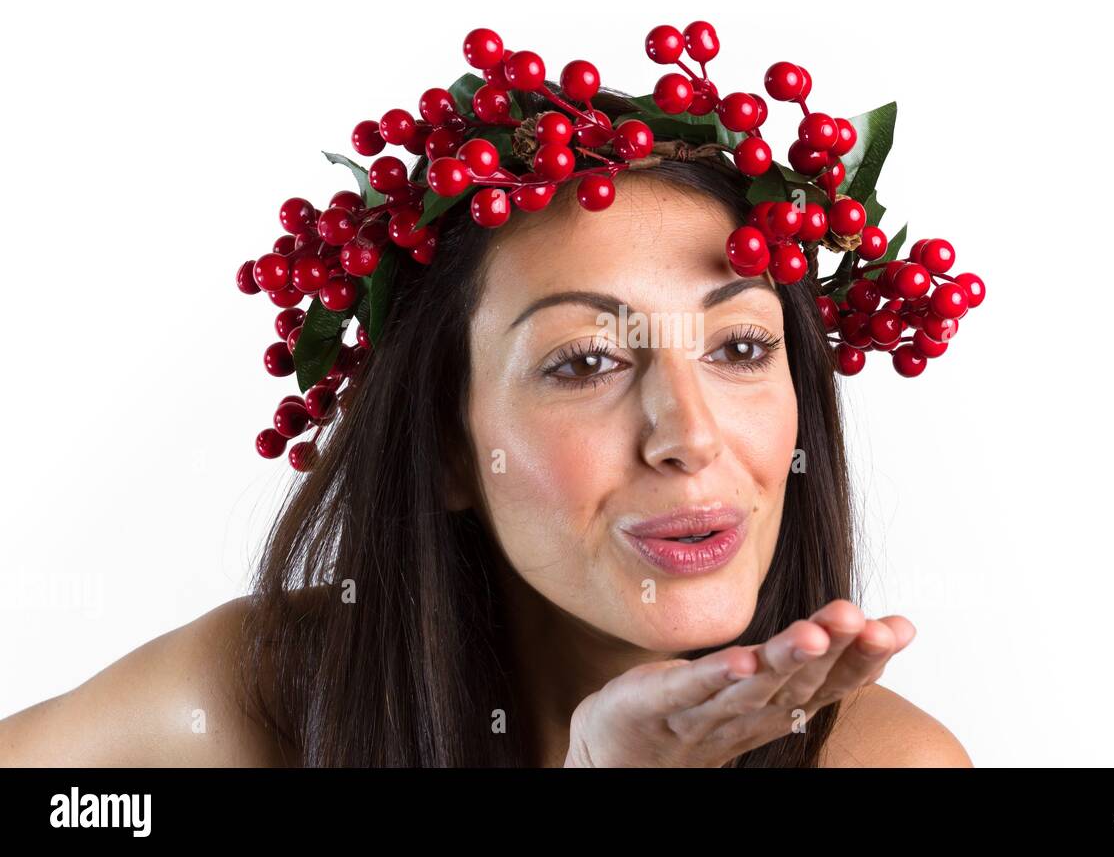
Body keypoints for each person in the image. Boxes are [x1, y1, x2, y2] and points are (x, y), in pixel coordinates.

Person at [0, 135, 971, 767]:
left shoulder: (889, 762)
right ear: (447, 447)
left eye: (740, 348)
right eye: (586, 359)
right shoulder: (244, 701)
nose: (690, 436)